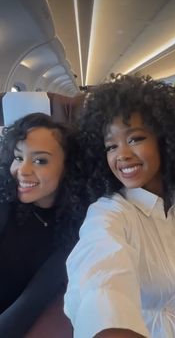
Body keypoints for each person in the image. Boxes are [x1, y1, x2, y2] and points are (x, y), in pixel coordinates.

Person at [64, 74, 175, 338]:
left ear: (166, 140)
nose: (121, 154)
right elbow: (101, 279)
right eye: (111, 146)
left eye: (135, 139)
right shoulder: (109, 214)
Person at [0, 112, 88, 337]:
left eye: (40, 160)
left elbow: (32, 301)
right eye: (19, 157)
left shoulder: (76, 229)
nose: (23, 171)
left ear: (68, 166)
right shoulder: (5, 204)